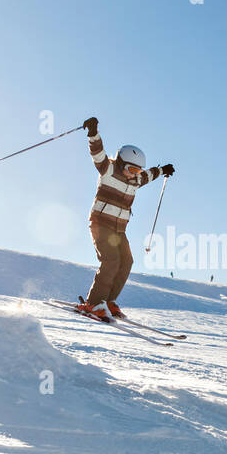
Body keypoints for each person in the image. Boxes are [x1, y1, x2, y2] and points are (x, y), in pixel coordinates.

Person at [75, 117, 174, 321]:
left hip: (119, 229)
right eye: (131, 169)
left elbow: (149, 175)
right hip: (101, 224)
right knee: (110, 260)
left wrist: (163, 170)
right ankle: (93, 303)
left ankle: (108, 301)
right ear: (120, 163)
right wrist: (93, 132)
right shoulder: (108, 170)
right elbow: (97, 153)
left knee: (126, 262)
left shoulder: (136, 180)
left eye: (136, 171)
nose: (134, 175)